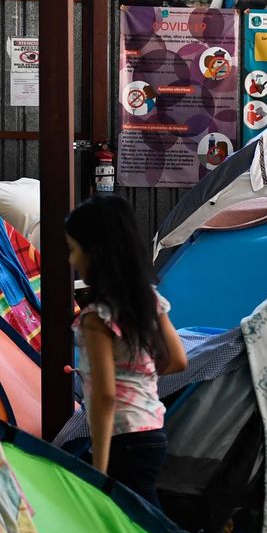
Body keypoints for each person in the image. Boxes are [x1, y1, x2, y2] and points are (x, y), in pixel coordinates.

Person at [66, 195, 187, 508]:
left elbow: (106, 396)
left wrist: (99, 469)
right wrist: (136, 374)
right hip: (152, 433)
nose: (71, 260)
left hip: (123, 439)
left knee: (144, 530)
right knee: (144, 523)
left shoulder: (96, 318)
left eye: (74, 249)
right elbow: (177, 360)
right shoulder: (149, 300)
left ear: (96, 252)